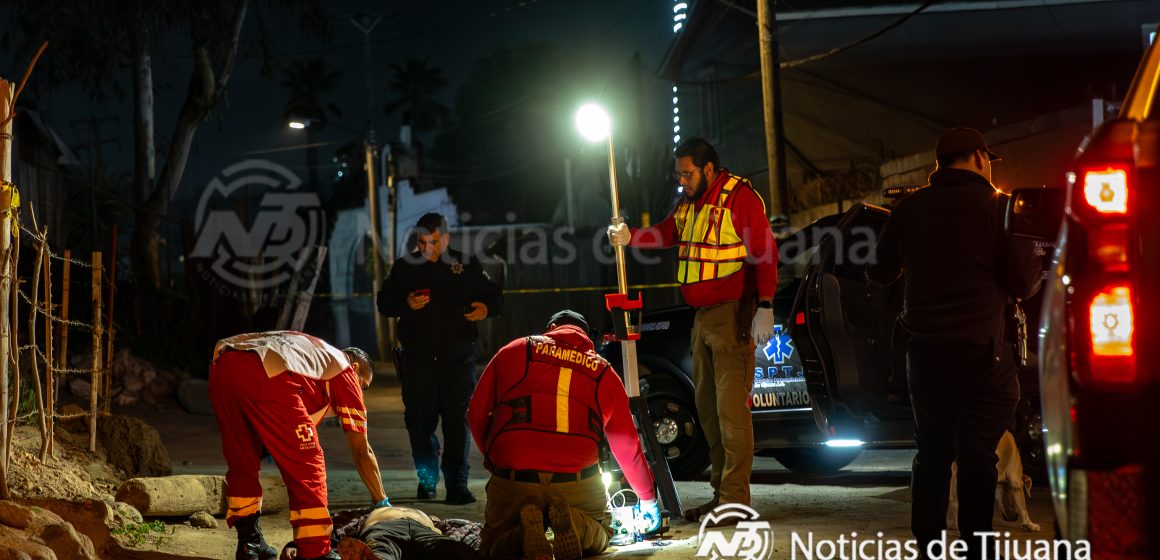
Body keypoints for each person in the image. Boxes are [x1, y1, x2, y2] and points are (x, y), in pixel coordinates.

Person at [866, 128, 1042, 559]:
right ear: (981, 158)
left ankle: (928, 548)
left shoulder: (910, 209)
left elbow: (878, 272)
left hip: (926, 355)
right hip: (984, 355)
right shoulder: (997, 208)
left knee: (933, 454)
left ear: (941, 164)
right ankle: (976, 549)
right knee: (979, 457)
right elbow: (1021, 282)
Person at [607, 137, 778, 523]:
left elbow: (765, 252)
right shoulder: (690, 202)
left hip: (733, 314)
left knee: (731, 413)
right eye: (678, 174)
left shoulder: (740, 197)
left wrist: (765, 306)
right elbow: (669, 232)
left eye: (687, 173)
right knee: (708, 412)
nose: (681, 180)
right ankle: (723, 497)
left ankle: (735, 501)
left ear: (709, 170)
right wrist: (631, 236)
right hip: (701, 317)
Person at [467, 310, 662, 560]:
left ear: (552, 328)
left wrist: (493, 459)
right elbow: (626, 445)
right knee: (602, 531)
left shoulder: (515, 350)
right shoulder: (603, 373)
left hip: (514, 477)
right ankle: (578, 525)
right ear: (585, 337)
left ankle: (519, 536)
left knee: (493, 547)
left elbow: (476, 414)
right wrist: (648, 500)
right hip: (576, 481)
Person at [209, 331, 391, 560]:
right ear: (355, 369)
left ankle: (250, 543)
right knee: (309, 465)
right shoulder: (343, 369)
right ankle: (316, 551)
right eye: (363, 386)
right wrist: (381, 501)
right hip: (266, 369)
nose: (360, 394)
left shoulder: (314, 360)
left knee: (243, 458)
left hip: (224, 365)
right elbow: (361, 451)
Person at [377, 212, 503, 505]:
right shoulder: (404, 267)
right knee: (419, 426)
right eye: (421, 243)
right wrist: (404, 304)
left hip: (458, 363)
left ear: (445, 238)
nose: (426, 249)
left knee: (457, 425)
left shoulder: (465, 265)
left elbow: (496, 296)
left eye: (432, 242)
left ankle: (457, 485)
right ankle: (428, 481)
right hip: (418, 364)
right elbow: (384, 301)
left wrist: (485, 308)